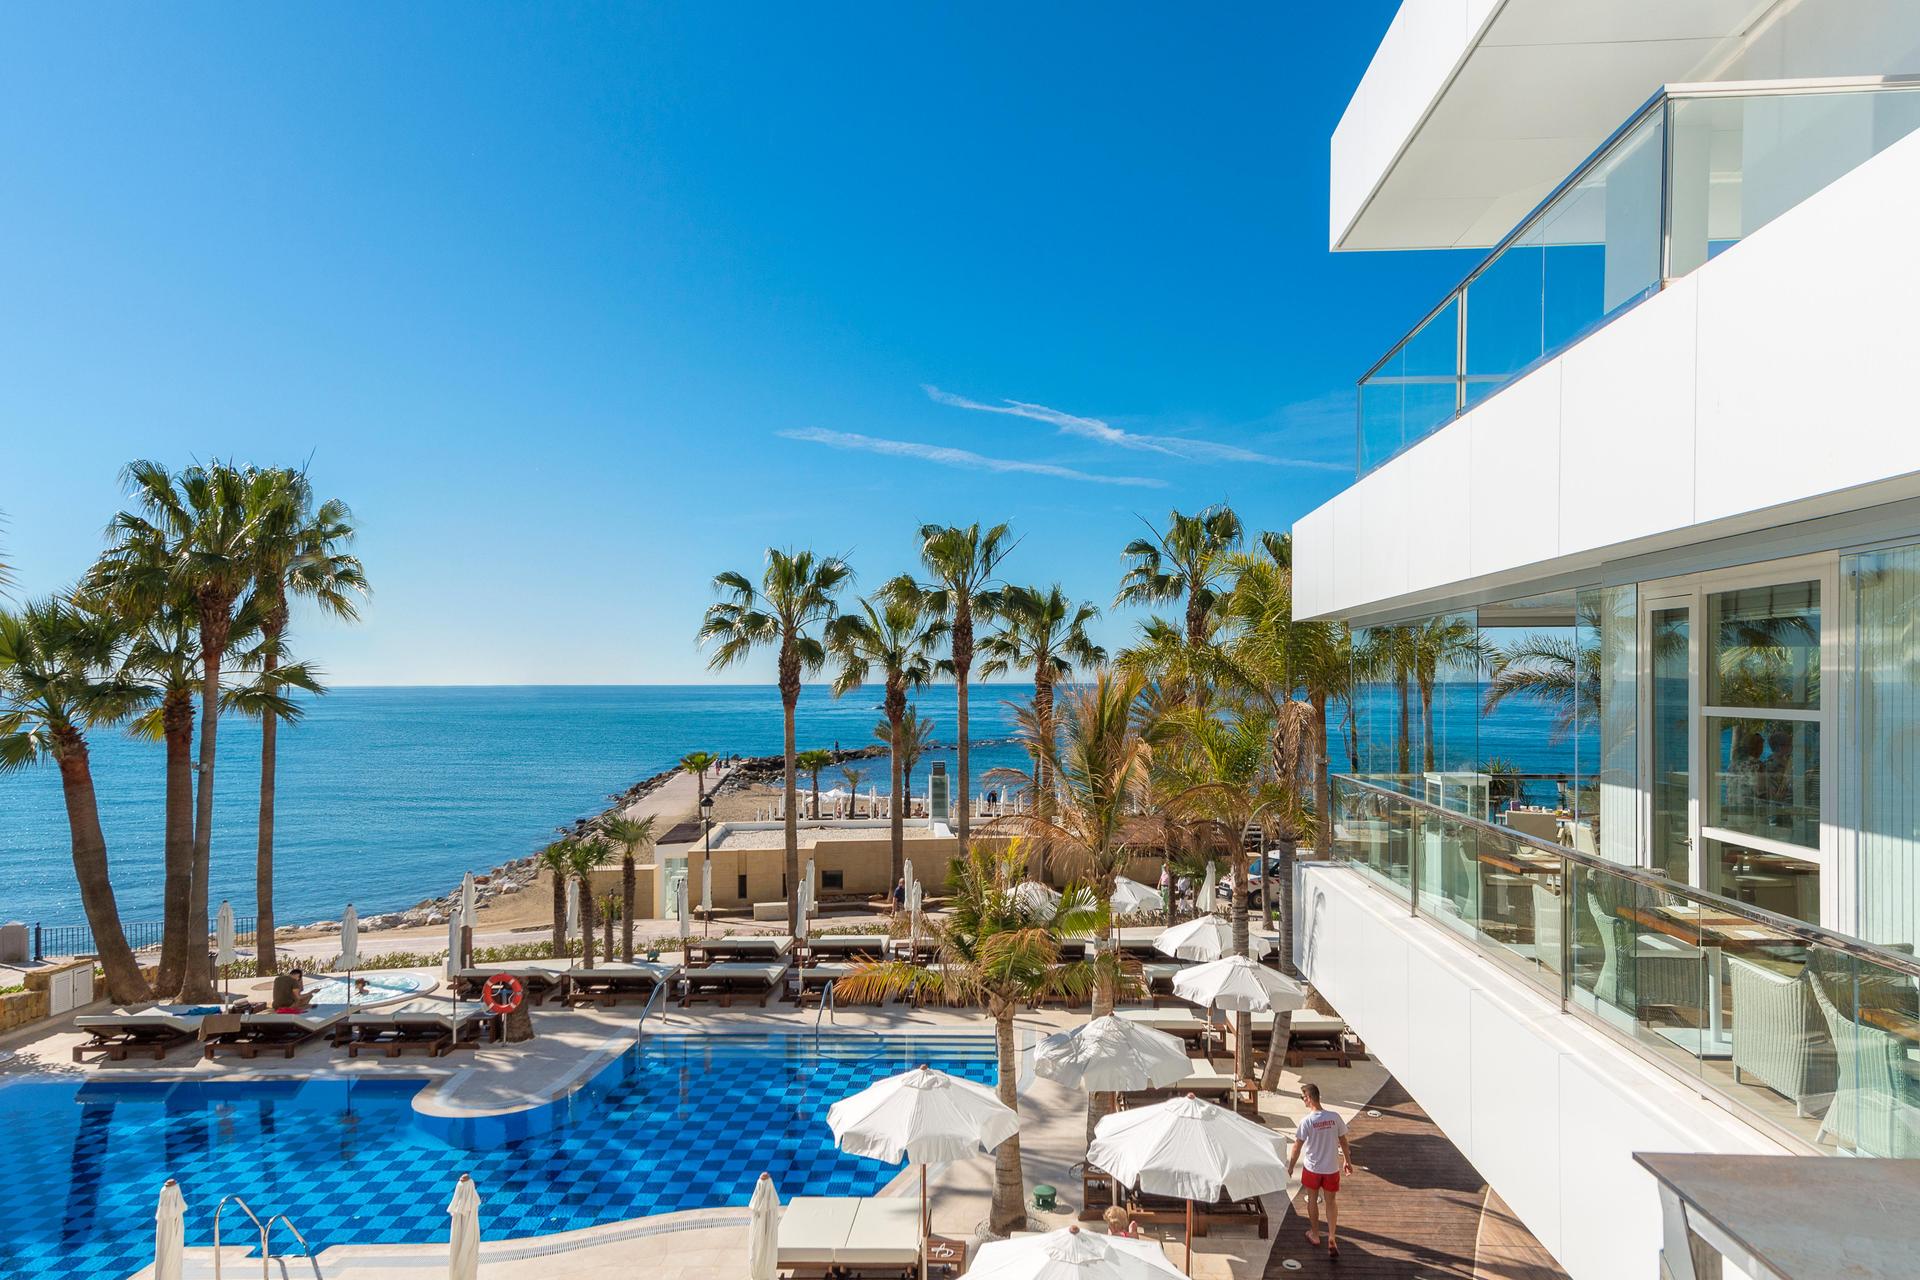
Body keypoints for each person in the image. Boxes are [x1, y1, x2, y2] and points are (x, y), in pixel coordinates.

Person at [1286, 1082, 1352, 1261]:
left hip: (1313, 1168)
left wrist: (1291, 1167)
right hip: (1331, 1168)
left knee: (1312, 1200)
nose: (1303, 1101)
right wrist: (1347, 1161)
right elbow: (1344, 1142)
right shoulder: (1334, 1117)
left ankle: (1315, 1234)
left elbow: (1296, 1147)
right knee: (1331, 1202)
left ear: (1308, 1098)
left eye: (1303, 1098)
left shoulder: (1307, 1121)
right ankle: (1331, 1235)